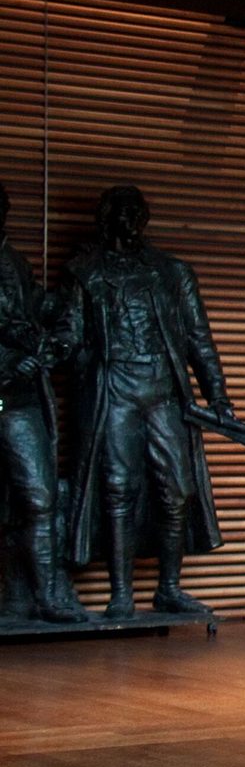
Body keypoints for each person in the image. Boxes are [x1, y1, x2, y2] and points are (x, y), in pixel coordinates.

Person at [57, 186, 234, 618]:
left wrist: (219, 398)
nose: (132, 222)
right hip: (115, 388)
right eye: (124, 214)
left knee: (177, 490)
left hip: (164, 390)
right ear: (108, 219)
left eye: (138, 214)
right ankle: (121, 595)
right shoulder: (85, 272)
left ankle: (168, 589)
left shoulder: (173, 273)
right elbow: (71, 334)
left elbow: (199, 341)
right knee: (118, 487)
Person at [0, 182, 88, 624]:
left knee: (36, 498)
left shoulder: (10, 259)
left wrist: (73, 292)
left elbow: (35, 307)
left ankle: (39, 594)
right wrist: (10, 362)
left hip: (17, 403)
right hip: (7, 393)